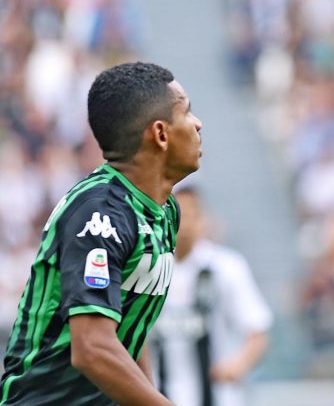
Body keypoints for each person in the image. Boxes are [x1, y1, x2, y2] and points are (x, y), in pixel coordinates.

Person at [0, 62, 203, 406]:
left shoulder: (163, 210)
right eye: (187, 113)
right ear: (160, 133)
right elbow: (92, 348)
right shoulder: (99, 215)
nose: (198, 124)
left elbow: (125, 332)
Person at [149, 186, 272, 406]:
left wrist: (237, 366)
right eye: (178, 214)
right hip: (160, 396)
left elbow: (258, 330)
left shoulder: (226, 267)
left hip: (218, 398)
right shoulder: (149, 268)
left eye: (192, 214)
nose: (184, 223)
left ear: (203, 219)